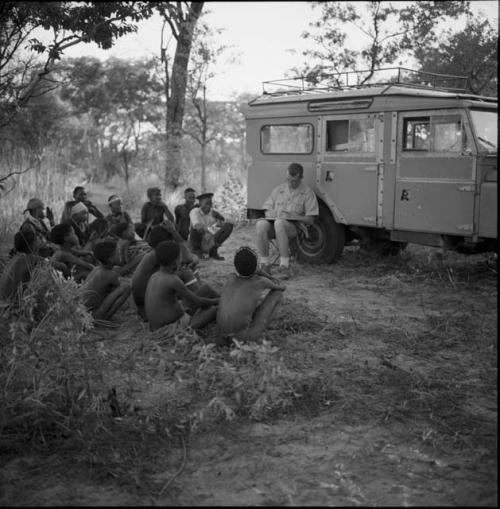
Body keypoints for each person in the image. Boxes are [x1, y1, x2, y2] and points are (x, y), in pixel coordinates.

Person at [256, 162, 319, 280]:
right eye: (288, 180)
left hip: (293, 228)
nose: (289, 183)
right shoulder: (279, 189)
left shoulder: (307, 192)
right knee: (260, 224)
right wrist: (271, 213)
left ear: (300, 177)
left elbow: (311, 220)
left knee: (279, 223)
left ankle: (284, 266)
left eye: (293, 181)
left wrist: (293, 216)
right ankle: (265, 265)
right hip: (274, 224)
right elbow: (267, 208)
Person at [216, 246, 285, 345]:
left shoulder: (230, 278)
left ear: (236, 266)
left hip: (221, 336)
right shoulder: (261, 281)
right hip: (244, 337)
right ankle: (262, 328)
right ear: (255, 265)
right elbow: (282, 286)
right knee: (277, 294)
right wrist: (264, 273)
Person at [144, 240, 219, 333]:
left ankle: (224, 302)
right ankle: (225, 304)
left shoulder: (155, 275)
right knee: (216, 309)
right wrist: (218, 301)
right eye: (180, 257)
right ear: (175, 261)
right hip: (170, 328)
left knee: (206, 289)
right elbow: (199, 302)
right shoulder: (172, 280)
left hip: (170, 319)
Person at [0, 230, 68, 307]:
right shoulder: (32, 258)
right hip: (11, 304)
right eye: (37, 239)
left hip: (3, 299)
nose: (39, 240)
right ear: (32, 245)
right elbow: (61, 266)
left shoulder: (15, 257)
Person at [131, 225, 174, 321]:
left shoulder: (152, 253)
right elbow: (187, 259)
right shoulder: (157, 254)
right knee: (181, 276)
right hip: (145, 297)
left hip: (140, 298)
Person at [81, 240, 131, 321]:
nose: (120, 255)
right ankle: (104, 319)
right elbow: (118, 293)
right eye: (118, 253)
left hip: (83, 313)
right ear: (111, 259)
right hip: (92, 317)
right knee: (126, 288)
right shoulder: (110, 275)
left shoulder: (97, 269)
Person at [189, 192, 233, 260]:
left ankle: (213, 251)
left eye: (210, 203)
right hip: (198, 240)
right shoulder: (195, 212)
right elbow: (198, 227)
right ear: (200, 204)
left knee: (229, 226)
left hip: (208, 239)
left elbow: (224, 223)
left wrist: (220, 221)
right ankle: (197, 250)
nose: (209, 206)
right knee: (200, 230)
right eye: (206, 203)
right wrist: (209, 231)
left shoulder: (212, 212)